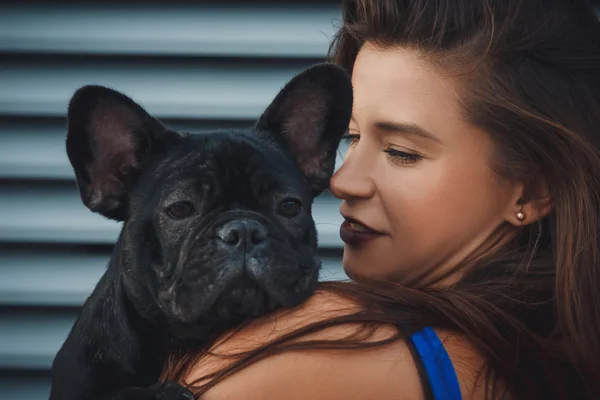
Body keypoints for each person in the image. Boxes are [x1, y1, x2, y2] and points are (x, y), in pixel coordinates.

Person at [160, 0, 600, 398]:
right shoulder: (556, 362)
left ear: (533, 188)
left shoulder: (323, 345)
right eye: (350, 137)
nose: (342, 181)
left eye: (401, 153)